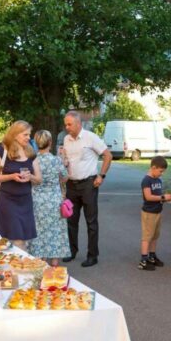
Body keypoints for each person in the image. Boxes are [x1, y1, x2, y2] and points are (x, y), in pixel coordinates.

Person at [61, 111, 112, 267]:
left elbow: (108, 155)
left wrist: (101, 176)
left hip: (89, 184)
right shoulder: (66, 139)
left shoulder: (91, 137)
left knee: (91, 221)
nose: (67, 127)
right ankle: (72, 250)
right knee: (71, 220)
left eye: (69, 124)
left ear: (78, 123)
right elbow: (67, 160)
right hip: (71, 185)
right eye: (65, 124)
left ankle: (92, 255)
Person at [0, 121, 40, 249]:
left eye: (29, 134)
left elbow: (39, 179)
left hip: (26, 201)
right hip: (8, 201)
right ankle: (20, 265)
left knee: (22, 238)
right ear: (15, 134)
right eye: (25, 134)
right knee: (17, 239)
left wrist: (30, 177)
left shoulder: (30, 152)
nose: (29, 137)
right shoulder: (2, 150)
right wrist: (11, 176)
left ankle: (19, 264)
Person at [27, 130, 71, 264]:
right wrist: (67, 163)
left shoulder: (32, 161)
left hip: (36, 200)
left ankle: (41, 262)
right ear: (50, 143)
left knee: (39, 232)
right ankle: (54, 265)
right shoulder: (56, 160)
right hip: (54, 200)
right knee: (55, 231)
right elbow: (65, 178)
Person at [138, 156, 171, 271]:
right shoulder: (146, 180)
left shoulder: (158, 180)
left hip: (157, 211)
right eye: (160, 171)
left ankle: (152, 256)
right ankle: (143, 260)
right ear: (153, 167)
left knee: (155, 236)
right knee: (147, 236)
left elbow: (157, 196)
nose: (161, 174)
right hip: (149, 213)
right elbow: (148, 197)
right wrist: (162, 197)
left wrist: (164, 199)